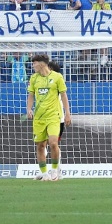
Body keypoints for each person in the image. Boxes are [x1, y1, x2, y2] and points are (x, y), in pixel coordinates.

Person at [26, 54, 71, 182]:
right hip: (39, 118)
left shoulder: (57, 77)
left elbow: (63, 95)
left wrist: (67, 113)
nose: (33, 65)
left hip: (54, 116)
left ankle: (55, 170)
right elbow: (30, 95)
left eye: (34, 63)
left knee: (53, 143)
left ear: (42, 63)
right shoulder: (34, 78)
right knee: (40, 146)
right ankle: (44, 173)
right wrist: (29, 109)